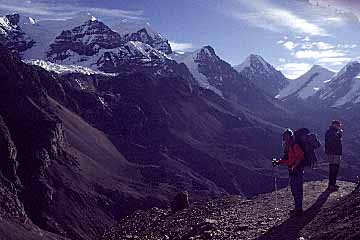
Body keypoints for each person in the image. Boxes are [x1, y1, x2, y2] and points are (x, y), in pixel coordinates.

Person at [273, 128, 305, 216]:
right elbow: (287, 159)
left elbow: (300, 156)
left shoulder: (294, 146)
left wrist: (294, 166)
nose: (286, 139)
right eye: (285, 137)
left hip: (297, 170)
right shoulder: (289, 147)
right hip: (292, 170)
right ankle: (297, 208)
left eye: (287, 137)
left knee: (297, 189)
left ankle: (299, 209)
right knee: (294, 189)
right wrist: (278, 162)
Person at [325, 120, 343, 191]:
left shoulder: (329, 131)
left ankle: (332, 184)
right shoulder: (333, 132)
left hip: (331, 153)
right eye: (338, 125)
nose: (339, 127)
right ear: (335, 125)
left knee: (332, 168)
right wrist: (340, 134)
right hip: (335, 153)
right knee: (334, 169)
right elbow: (335, 142)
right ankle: (332, 185)